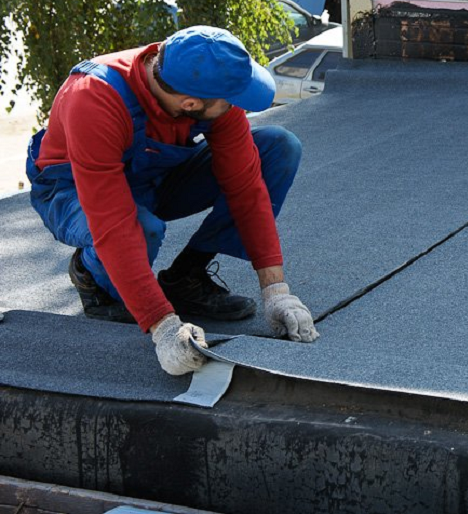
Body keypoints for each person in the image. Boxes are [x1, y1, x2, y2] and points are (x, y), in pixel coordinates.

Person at [25, 26, 319, 376]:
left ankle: (186, 278)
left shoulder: (199, 84)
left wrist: (276, 290)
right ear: (190, 104)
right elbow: (113, 223)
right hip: (71, 190)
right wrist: (162, 325)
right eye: (232, 99)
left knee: (278, 148)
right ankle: (94, 278)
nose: (236, 106)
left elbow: (246, 188)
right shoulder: (93, 99)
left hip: (152, 178)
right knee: (140, 228)